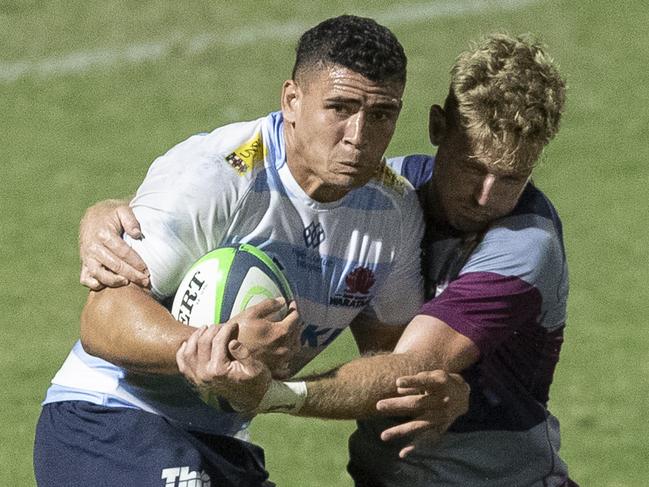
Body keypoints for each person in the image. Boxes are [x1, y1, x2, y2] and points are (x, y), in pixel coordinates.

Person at [84, 33, 576, 486]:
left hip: (504, 479)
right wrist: (105, 213)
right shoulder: (382, 192)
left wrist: (268, 390)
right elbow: (241, 191)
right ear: (436, 127)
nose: (486, 197)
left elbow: (410, 364)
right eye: (473, 167)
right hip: (384, 474)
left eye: (512, 178)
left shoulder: (525, 245)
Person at [35, 15, 468, 487]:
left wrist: (414, 386)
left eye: (382, 114)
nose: (359, 136)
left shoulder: (394, 211)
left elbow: (388, 356)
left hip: (223, 439)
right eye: (339, 108)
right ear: (292, 101)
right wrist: (210, 350)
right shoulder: (218, 175)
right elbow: (103, 318)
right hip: (108, 418)